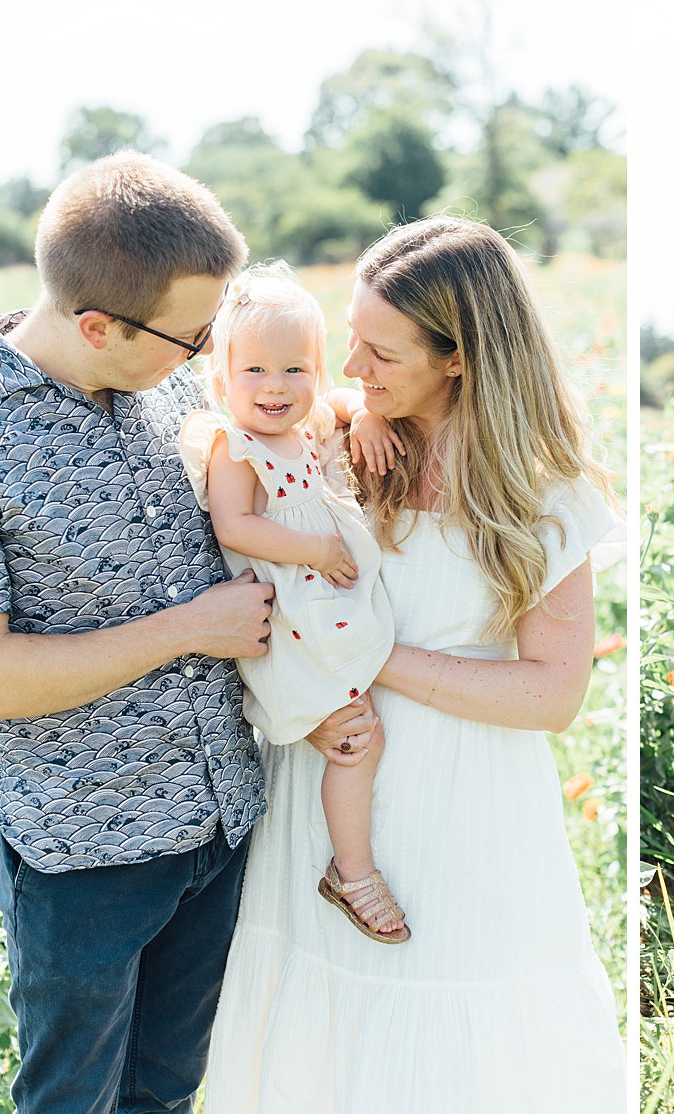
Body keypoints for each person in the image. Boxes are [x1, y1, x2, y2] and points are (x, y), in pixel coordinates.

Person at [202, 216, 625, 1113]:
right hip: (325, 781)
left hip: (465, 798)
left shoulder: (542, 490)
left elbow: (554, 694)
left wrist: (365, 658)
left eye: (379, 355)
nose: (351, 371)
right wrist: (352, 416)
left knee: (455, 1044)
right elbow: (249, 417)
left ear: (459, 358)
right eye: (350, 340)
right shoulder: (343, 443)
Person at [0, 152, 274, 1113]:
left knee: (169, 1094)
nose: (207, 351)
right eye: (193, 335)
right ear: (97, 324)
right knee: (71, 1100)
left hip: (222, 817)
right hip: (85, 850)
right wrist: (190, 628)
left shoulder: (173, 380)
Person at [179, 261, 412, 943]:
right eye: (253, 371)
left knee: (364, 735)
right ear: (222, 380)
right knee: (356, 744)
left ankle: (354, 864)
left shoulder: (304, 428)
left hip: (326, 611)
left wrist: (360, 412)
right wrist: (313, 552)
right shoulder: (236, 445)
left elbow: (338, 404)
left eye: (294, 370)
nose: (275, 387)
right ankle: (354, 871)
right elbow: (235, 527)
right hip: (294, 620)